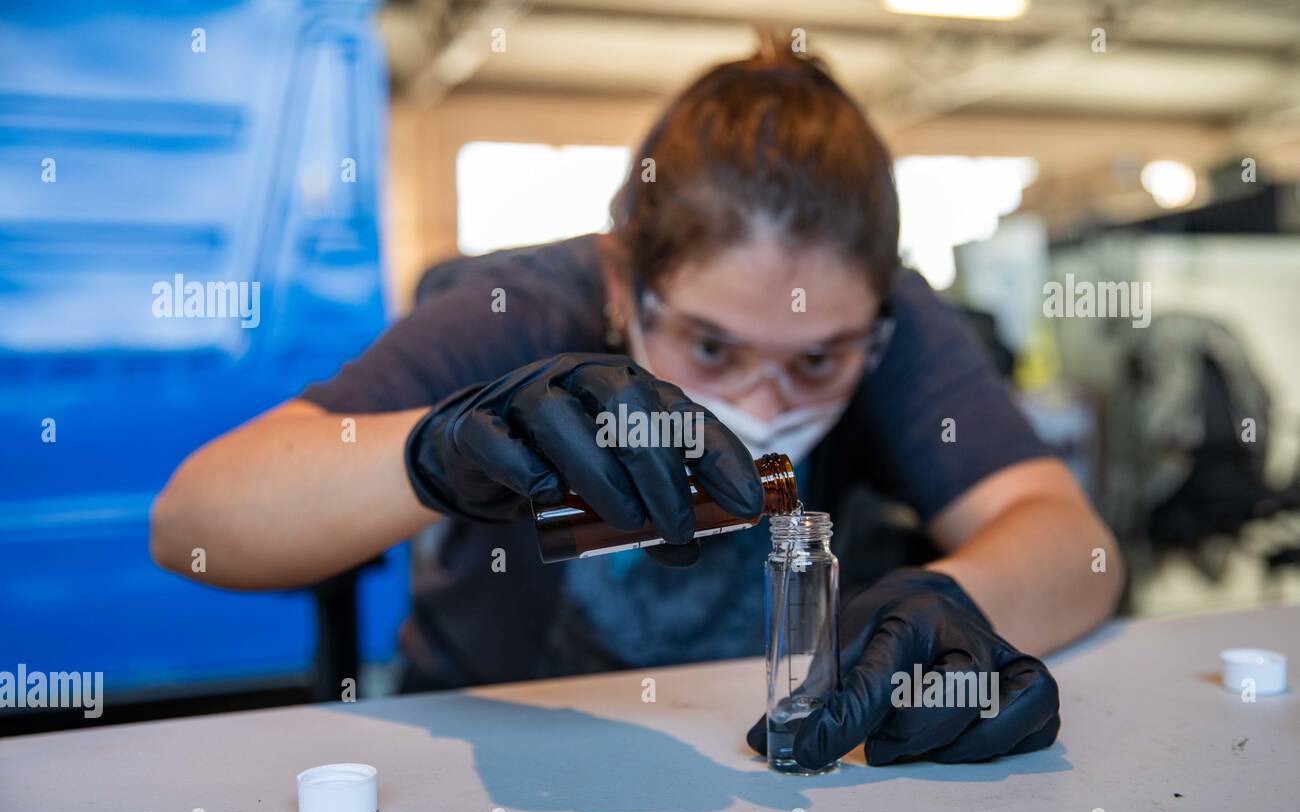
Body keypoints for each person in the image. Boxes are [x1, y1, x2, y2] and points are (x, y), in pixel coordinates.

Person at [151, 44, 1122, 767]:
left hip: (749, 763)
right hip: (481, 747)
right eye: (710, 345)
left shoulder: (889, 326)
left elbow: (1070, 542)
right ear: (623, 283)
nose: (760, 399)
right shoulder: (523, 308)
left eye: (816, 359)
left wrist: (954, 606)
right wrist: (436, 448)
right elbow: (194, 517)